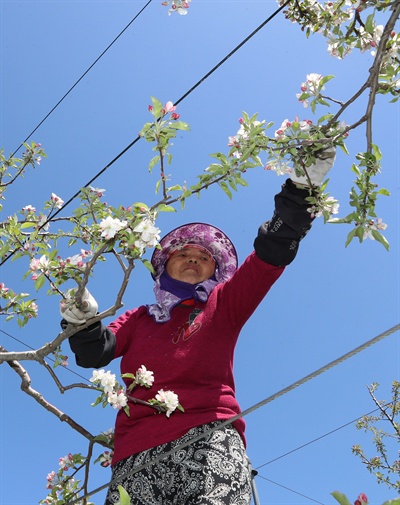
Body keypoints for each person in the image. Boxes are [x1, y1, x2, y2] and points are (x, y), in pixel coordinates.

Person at [61, 149, 335, 505]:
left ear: (214, 271)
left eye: (204, 256)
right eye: (183, 253)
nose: (193, 257)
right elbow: (95, 351)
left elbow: (268, 257)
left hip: (209, 437)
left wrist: (299, 192)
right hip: (134, 455)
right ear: (165, 267)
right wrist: (82, 321)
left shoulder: (223, 304)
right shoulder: (141, 317)